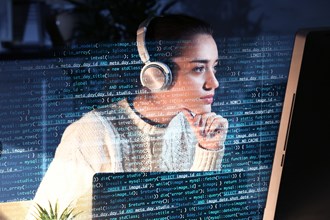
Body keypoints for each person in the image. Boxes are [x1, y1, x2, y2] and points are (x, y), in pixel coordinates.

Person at [26, 14, 228, 219]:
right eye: (199, 68)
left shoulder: (195, 129)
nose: (214, 82)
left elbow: (196, 212)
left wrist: (209, 150)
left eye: (214, 67)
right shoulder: (93, 131)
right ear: (157, 73)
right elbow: (40, 216)